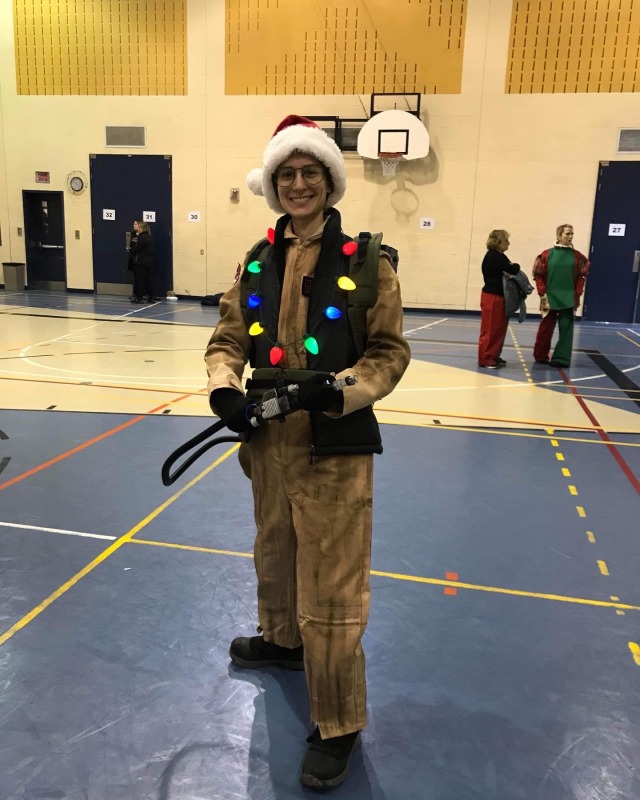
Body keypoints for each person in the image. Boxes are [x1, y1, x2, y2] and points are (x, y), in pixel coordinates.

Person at [204, 115, 410, 790]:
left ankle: (340, 721)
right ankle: (282, 640)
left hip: (334, 446)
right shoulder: (258, 261)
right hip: (267, 444)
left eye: (309, 173)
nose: (297, 184)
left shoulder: (365, 262)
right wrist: (223, 391)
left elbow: (389, 353)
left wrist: (341, 390)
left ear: (329, 181)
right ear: (273, 184)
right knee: (275, 551)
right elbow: (227, 338)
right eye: (286, 174)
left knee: (332, 586)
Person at [532, 224, 590, 367]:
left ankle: (561, 358)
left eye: (572, 234)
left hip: (568, 298)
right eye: (567, 234)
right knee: (545, 328)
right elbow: (538, 275)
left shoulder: (578, 257)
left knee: (566, 329)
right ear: (558, 236)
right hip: (549, 297)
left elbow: (582, 276)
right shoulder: (546, 255)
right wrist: (542, 293)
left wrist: (577, 294)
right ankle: (540, 355)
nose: (570, 237)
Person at [478, 229, 521, 368]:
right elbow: (513, 269)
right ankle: (486, 358)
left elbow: (510, 268)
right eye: (506, 240)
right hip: (492, 297)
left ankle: (494, 355)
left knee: (499, 329)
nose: (509, 243)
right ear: (498, 242)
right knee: (490, 329)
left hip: (499, 297)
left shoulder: (499, 255)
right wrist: (515, 266)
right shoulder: (494, 256)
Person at [130, 220, 154, 303]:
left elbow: (137, 248)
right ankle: (151, 297)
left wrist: (131, 250)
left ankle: (139, 297)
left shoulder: (142, 237)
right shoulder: (149, 237)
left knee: (140, 280)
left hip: (141, 261)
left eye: (137, 225)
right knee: (148, 279)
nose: (135, 226)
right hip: (149, 261)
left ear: (141, 228)